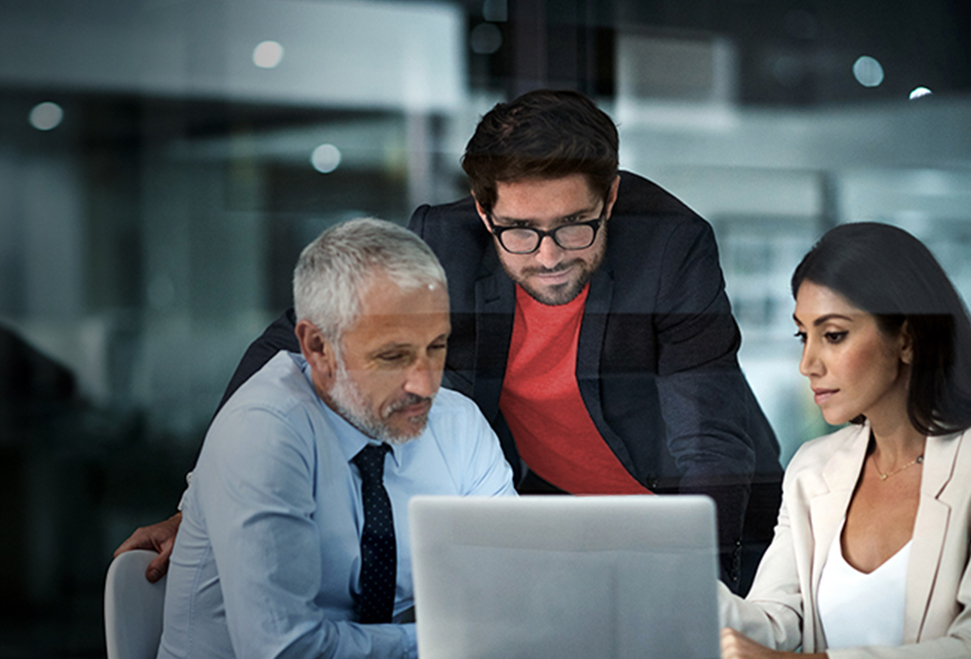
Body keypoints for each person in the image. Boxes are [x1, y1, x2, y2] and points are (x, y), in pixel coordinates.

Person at [117, 89, 781, 590]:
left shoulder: (671, 244)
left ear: (609, 196)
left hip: (701, 522)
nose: (549, 256)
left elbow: (709, 442)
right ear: (483, 207)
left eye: (575, 225)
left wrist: (701, 588)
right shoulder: (442, 245)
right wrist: (195, 508)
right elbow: (290, 348)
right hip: (558, 519)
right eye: (519, 229)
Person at [149, 219, 515, 659]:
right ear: (317, 347)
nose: (425, 384)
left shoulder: (457, 423)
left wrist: (484, 638)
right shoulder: (263, 430)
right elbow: (283, 657)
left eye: (437, 346)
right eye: (392, 356)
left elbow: (510, 594)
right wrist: (435, 646)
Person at [718, 223, 971, 659]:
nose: (807, 364)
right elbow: (775, 619)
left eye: (832, 335)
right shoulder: (813, 469)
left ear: (908, 339)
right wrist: (676, 581)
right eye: (803, 337)